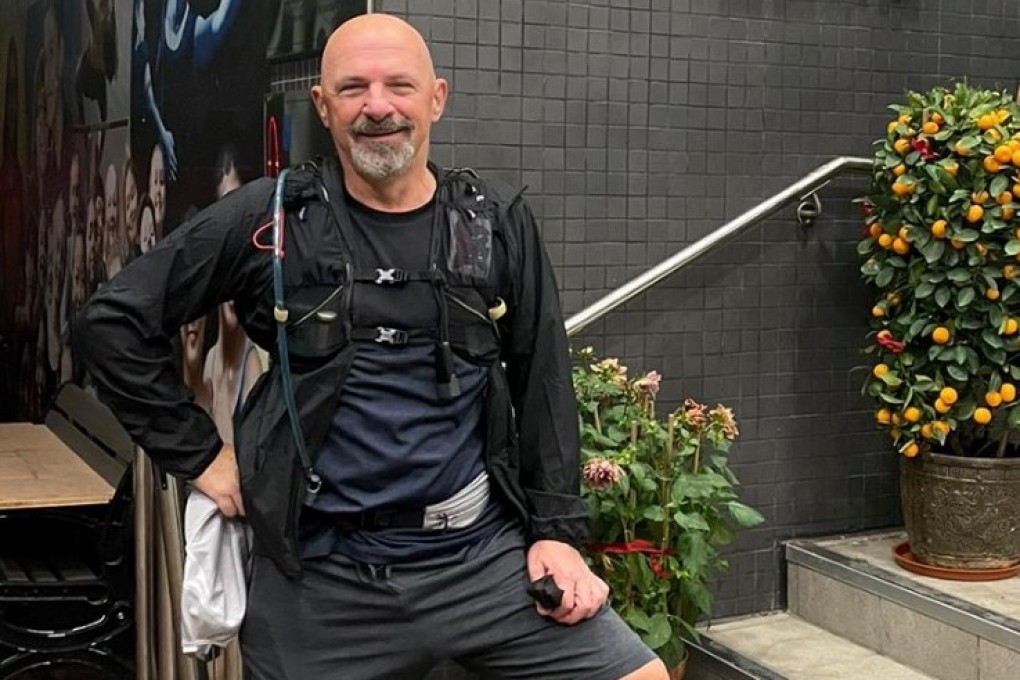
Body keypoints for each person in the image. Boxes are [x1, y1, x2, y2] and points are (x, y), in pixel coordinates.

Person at [78, 14, 667, 680]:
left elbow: (544, 380)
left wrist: (557, 537)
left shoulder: (494, 222)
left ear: (436, 99)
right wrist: (203, 457)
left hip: (476, 560)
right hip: (321, 582)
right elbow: (111, 324)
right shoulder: (269, 221)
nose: (377, 107)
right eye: (353, 89)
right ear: (323, 106)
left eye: (399, 87)